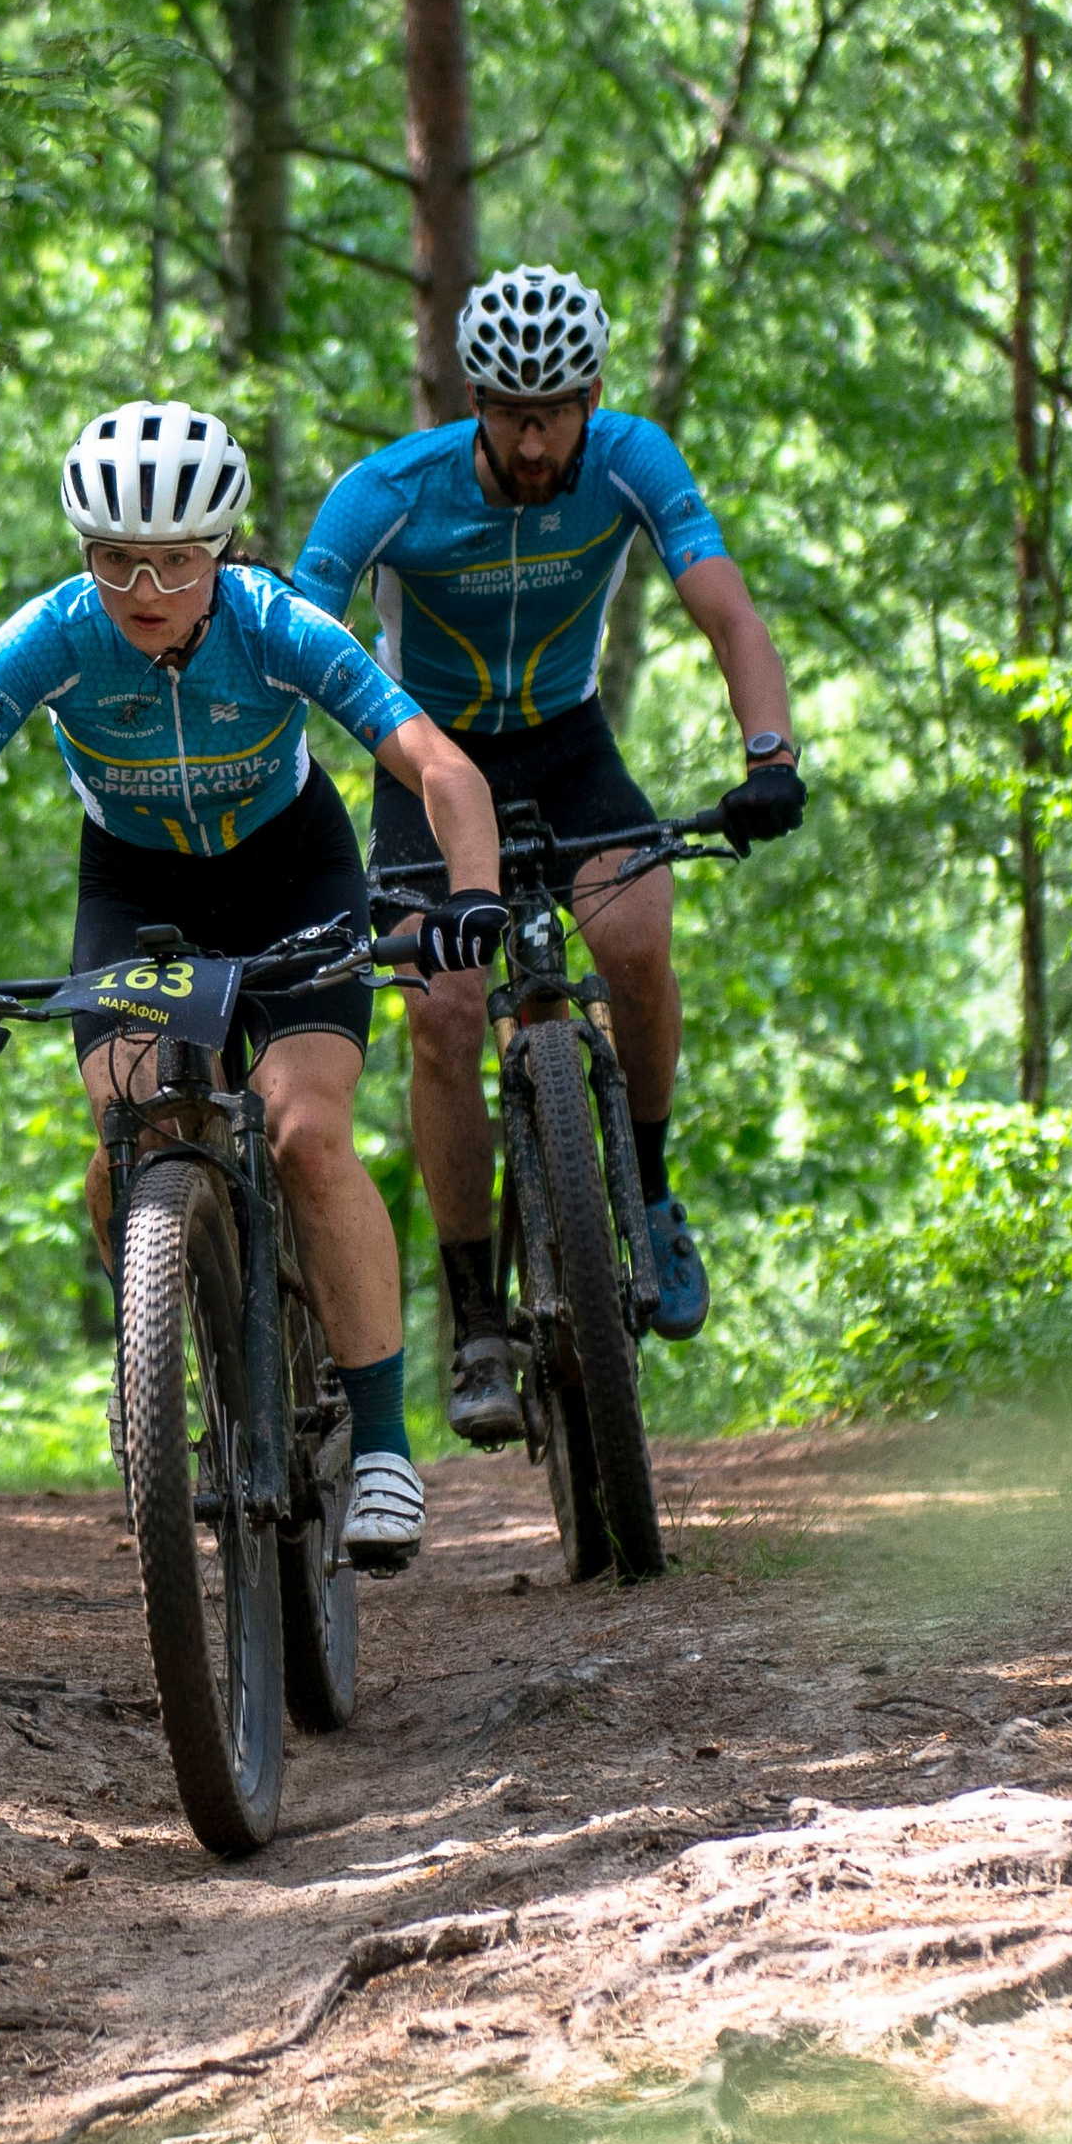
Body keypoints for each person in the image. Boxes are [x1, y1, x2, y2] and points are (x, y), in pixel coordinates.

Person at [0, 400, 504, 1569]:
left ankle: (387, 1442)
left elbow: (437, 765)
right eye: (112, 559)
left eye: (176, 560)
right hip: (139, 893)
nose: (143, 585)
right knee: (125, 1141)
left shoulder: (276, 623)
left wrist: (471, 898)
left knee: (305, 1134)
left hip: (293, 875)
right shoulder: (51, 635)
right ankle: (172, 1363)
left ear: (222, 551)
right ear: (81, 551)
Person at [291, 265, 805, 1442]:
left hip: (567, 741)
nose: (533, 441)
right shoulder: (389, 492)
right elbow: (298, 638)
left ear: (591, 395)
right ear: (474, 400)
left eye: (555, 409)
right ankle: (473, 1316)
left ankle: (654, 1190)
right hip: (426, 756)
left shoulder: (634, 458)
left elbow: (726, 610)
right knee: (443, 1013)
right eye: (511, 412)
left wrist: (767, 753)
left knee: (633, 935)